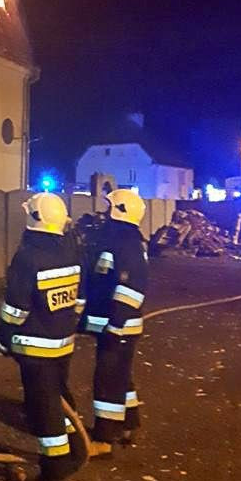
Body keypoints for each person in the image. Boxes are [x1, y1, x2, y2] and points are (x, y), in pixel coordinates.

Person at [0, 193, 89, 481]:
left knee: (45, 408)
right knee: (60, 396)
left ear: (34, 218)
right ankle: (74, 448)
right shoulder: (71, 250)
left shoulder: (28, 256)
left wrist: (3, 336)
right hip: (63, 342)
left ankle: (54, 474)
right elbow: (79, 297)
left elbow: (16, 309)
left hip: (35, 348)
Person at [82, 189, 148, 458]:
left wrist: (114, 326)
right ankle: (129, 423)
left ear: (119, 211)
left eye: (109, 209)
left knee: (107, 380)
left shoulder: (126, 244)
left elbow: (131, 289)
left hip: (118, 327)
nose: (104, 214)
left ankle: (104, 439)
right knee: (121, 375)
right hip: (113, 325)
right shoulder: (121, 240)